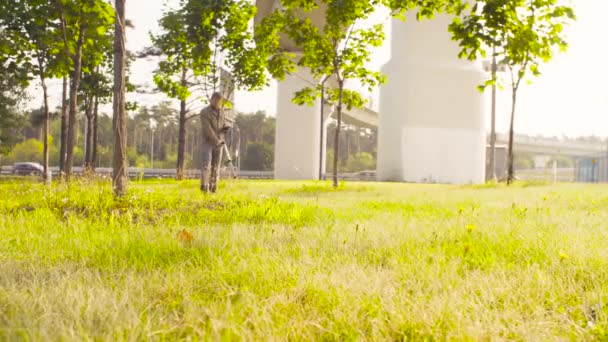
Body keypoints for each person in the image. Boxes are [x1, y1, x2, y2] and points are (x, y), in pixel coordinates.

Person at [200, 92, 231, 193]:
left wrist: (225, 128)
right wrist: (216, 140)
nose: (217, 102)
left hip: (219, 143)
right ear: (211, 100)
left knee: (216, 166)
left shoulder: (221, 112)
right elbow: (207, 129)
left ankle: (213, 188)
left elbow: (222, 124)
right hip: (207, 142)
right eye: (215, 100)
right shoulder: (204, 112)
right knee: (206, 165)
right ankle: (204, 188)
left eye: (219, 101)